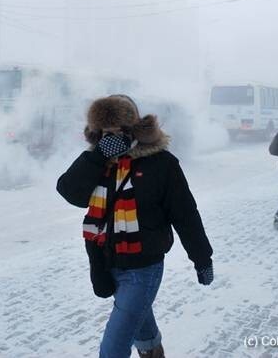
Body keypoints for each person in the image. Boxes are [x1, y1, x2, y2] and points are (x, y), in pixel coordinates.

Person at [57, 95, 213, 358]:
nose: (111, 138)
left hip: (144, 268)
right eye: (106, 133)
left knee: (113, 348)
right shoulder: (97, 162)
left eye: (118, 131)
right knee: (142, 327)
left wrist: (202, 258)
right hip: (107, 262)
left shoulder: (162, 163)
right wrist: (98, 157)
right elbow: (70, 192)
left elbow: (186, 215)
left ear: (133, 130)